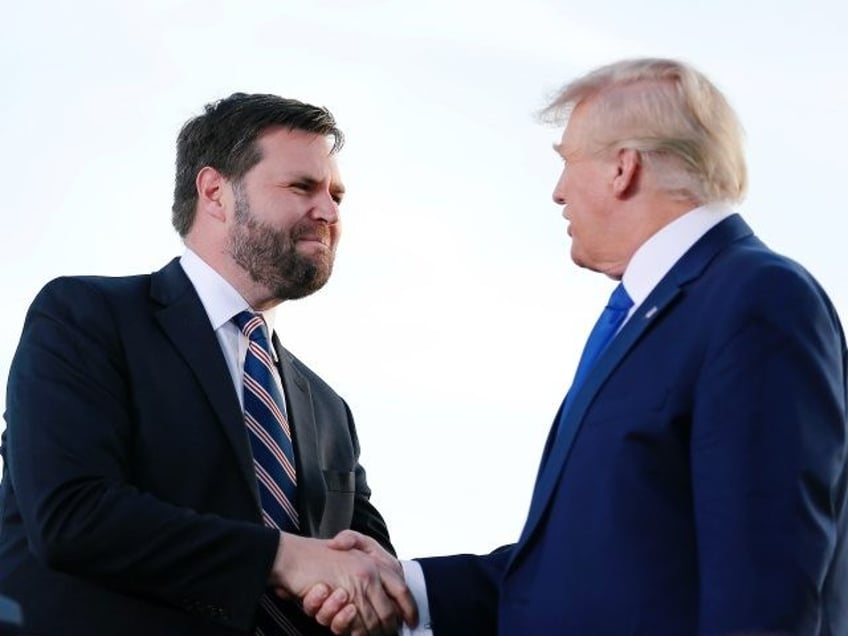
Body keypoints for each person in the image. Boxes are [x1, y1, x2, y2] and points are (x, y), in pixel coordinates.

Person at [305, 58, 848, 635]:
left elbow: (766, 579)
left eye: (567, 162)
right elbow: (590, 565)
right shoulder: (646, 315)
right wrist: (406, 585)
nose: (559, 193)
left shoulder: (756, 298)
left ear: (623, 168)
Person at [0, 93, 415, 635]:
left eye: (336, 195)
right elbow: (71, 516)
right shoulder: (88, 318)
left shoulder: (329, 410)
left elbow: (366, 577)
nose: (330, 212)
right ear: (216, 192)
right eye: (302, 187)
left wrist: (369, 577)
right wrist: (284, 557)